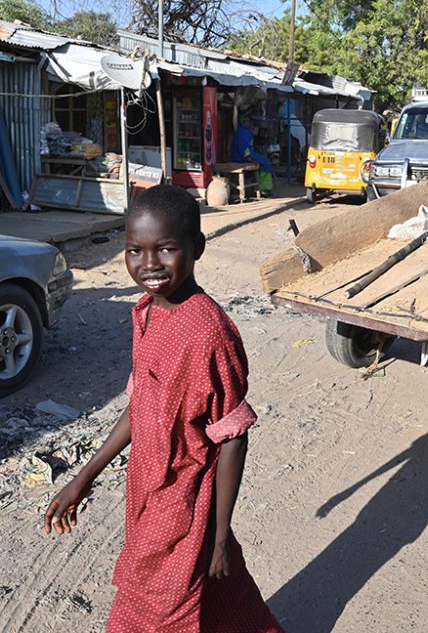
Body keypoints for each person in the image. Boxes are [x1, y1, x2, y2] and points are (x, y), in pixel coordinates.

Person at [43, 184, 282, 633]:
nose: (149, 265)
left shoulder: (209, 333)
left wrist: (218, 536)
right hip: (146, 490)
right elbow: (141, 405)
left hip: (185, 501)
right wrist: (83, 477)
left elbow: (233, 436)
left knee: (153, 606)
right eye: (135, 250)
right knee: (214, 597)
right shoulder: (147, 313)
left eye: (166, 248)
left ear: (197, 248)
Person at [230, 117, 274, 196]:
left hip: (245, 154)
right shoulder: (243, 132)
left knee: (265, 161)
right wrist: (250, 159)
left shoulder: (243, 131)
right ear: (244, 123)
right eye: (247, 122)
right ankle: (263, 189)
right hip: (242, 157)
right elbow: (243, 149)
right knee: (266, 163)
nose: (249, 124)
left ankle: (263, 187)